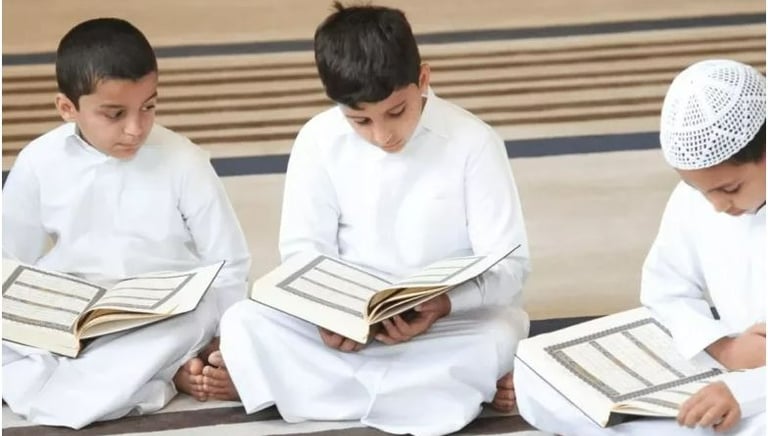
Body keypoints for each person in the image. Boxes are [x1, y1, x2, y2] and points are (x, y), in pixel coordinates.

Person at [202, 3, 531, 435]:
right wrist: (325, 315)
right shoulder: (318, 139)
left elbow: (511, 267)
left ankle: (289, 389)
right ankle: (439, 394)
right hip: (348, 327)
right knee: (244, 321)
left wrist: (443, 305)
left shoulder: (475, 142)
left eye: (396, 112)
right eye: (359, 120)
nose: (382, 135)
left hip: (445, 324)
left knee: (500, 331)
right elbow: (303, 253)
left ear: (423, 79)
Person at [2, 17, 251, 429]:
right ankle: (159, 376)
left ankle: (126, 376)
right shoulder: (38, 161)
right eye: (115, 114)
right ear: (67, 108)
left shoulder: (183, 160)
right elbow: (9, 259)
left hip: (164, 313)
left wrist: (226, 339)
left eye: (148, 107)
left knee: (199, 314)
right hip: (75, 313)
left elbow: (230, 263)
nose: (136, 129)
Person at [514, 59, 765, 436]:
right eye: (702, 191)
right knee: (539, 374)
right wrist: (724, 348)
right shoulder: (693, 200)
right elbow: (665, 292)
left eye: (729, 189)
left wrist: (746, 391)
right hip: (724, 360)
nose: (716, 205)